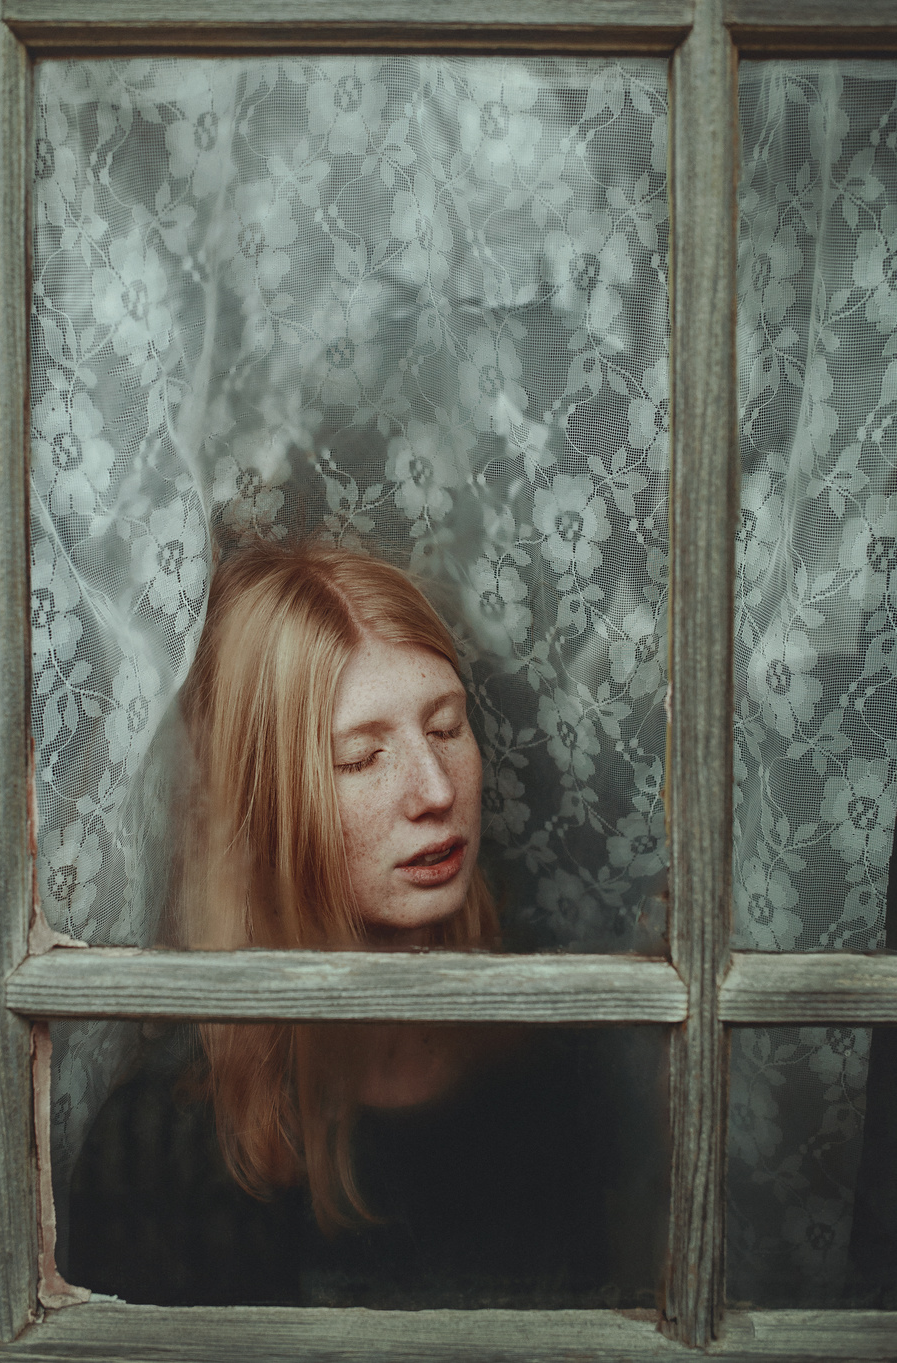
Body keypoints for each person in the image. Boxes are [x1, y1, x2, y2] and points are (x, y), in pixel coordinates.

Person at [67, 540, 643, 1307]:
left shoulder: (570, 1056)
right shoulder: (159, 1141)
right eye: (361, 757)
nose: (434, 791)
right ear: (266, 803)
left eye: (445, 727)